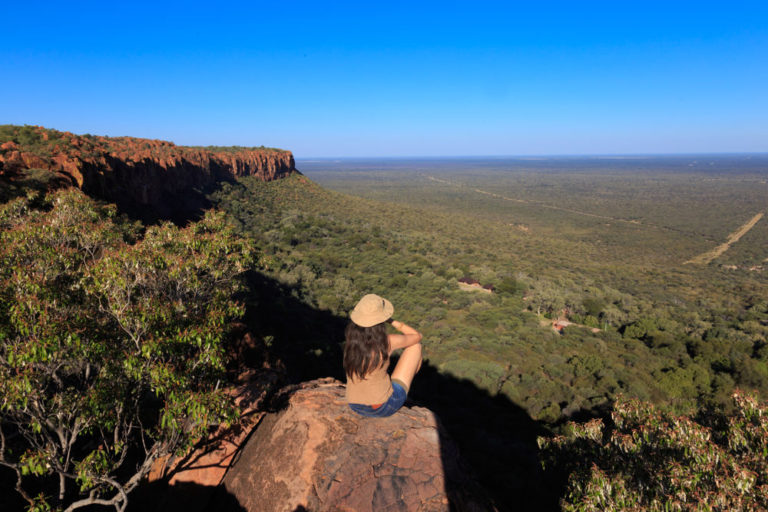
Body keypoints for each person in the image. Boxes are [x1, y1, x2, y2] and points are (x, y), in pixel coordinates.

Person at [344, 293, 422, 417]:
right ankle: (407, 391)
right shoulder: (386, 342)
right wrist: (392, 321)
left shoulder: (352, 342)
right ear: (380, 319)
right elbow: (417, 337)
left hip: (354, 405)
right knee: (415, 347)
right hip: (382, 407)